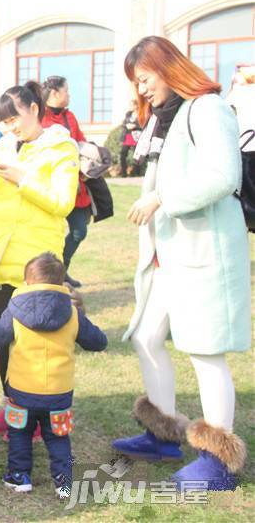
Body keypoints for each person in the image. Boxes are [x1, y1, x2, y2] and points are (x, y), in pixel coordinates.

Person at [112, 36, 250, 491]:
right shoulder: (168, 117)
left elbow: (222, 176)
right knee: (147, 336)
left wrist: (161, 199)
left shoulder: (207, 108)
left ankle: (218, 461)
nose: (143, 90)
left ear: (166, 67)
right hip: (169, 255)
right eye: (138, 83)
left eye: (145, 79)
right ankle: (164, 433)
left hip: (203, 249)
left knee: (205, 351)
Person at [0, 80, 80, 439]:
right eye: (4, 121)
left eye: (13, 118)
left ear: (34, 108)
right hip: (1, 259)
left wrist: (21, 178)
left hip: (35, 262)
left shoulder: (61, 147)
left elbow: (62, 202)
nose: (10, 127)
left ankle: (38, 414)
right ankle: (13, 406)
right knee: (4, 339)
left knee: (34, 343)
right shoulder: (3, 148)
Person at [0, 253, 106, 498]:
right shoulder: (72, 314)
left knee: (20, 433)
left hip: (22, 390)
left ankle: (19, 477)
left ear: (27, 281)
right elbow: (98, 342)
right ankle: (64, 484)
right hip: (59, 394)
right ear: (61, 283)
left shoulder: (16, 311)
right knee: (58, 438)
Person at [41, 76, 88, 288]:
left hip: (75, 187)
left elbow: (81, 142)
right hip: (49, 189)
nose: (69, 95)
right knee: (50, 237)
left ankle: (62, 269)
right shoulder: (40, 118)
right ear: (55, 93)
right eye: (66, 90)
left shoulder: (71, 117)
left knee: (79, 230)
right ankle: (51, 277)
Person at [120, 102, 142, 177]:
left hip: (137, 137)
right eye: (130, 105)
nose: (131, 106)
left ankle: (136, 173)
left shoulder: (141, 113)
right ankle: (124, 173)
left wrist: (135, 126)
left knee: (136, 155)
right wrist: (126, 125)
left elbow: (144, 124)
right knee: (123, 154)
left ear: (136, 106)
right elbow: (123, 124)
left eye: (132, 105)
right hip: (128, 136)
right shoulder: (128, 114)